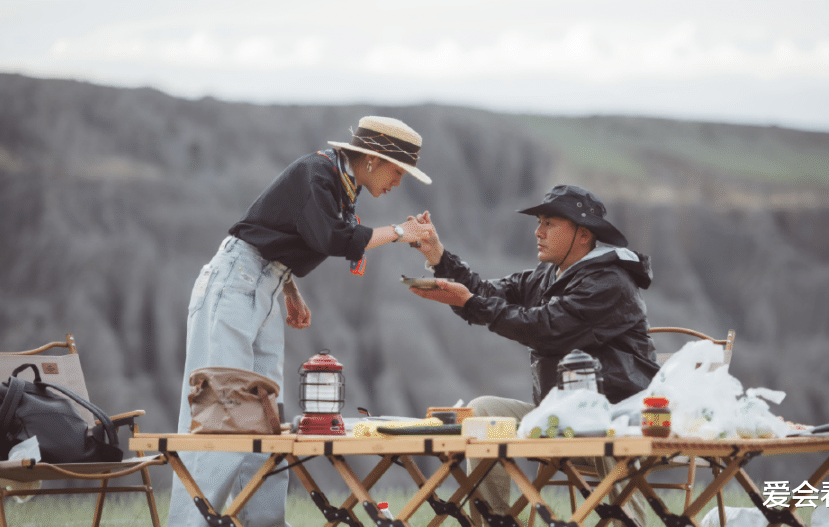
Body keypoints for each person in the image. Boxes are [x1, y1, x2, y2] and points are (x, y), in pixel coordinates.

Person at [168, 116, 433, 527]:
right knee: (220, 416)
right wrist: (400, 231)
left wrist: (289, 290)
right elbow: (333, 238)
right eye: (398, 171)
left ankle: (263, 522)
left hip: (264, 285)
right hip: (235, 284)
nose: (398, 182)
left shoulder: (342, 185)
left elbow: (282, 233)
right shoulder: (318, 174)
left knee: (264, 418)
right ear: (373, 159)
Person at [408, 184, 660, 526]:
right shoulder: (548, 275)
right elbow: (485, 293)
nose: (538, 232)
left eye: (549, 224)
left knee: (601, 432)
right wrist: (439, 258)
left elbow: (545, 327)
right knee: (483, 413)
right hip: (559, 419)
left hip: (614, 420)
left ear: (583, 235)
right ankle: (494, 521)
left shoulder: (610, 282)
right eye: (539, 222)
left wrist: (471, 303)